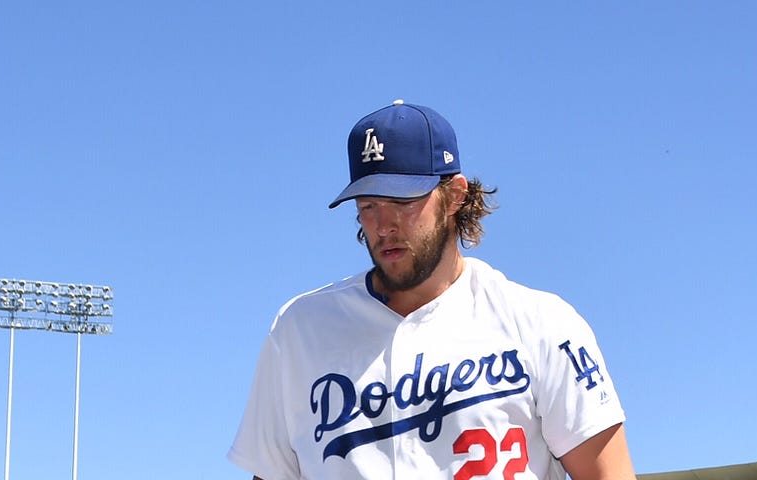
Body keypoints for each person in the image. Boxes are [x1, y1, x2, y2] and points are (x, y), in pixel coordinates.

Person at [228, 100, 635, 480]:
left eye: (403, 201)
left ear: (455, 195)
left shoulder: (539, 322)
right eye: (368, 205)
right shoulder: (300, 329)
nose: (383, 224)